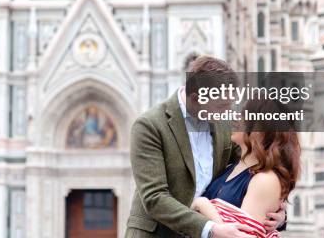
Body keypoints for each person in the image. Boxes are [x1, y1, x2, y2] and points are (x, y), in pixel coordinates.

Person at [125, 56, 286, 238]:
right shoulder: (149, 126)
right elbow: (154, 198)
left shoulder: (224, 124)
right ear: (195, 98)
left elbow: (254, 165)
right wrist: (212, 228)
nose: (228, 111)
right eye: (222, 106)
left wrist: (278, 213)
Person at [191, 97, 301, 237]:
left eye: (244, 115)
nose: (236, 119)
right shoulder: (231, 166)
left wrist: (202, 204)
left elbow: (239, 235)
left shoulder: (265, 179)